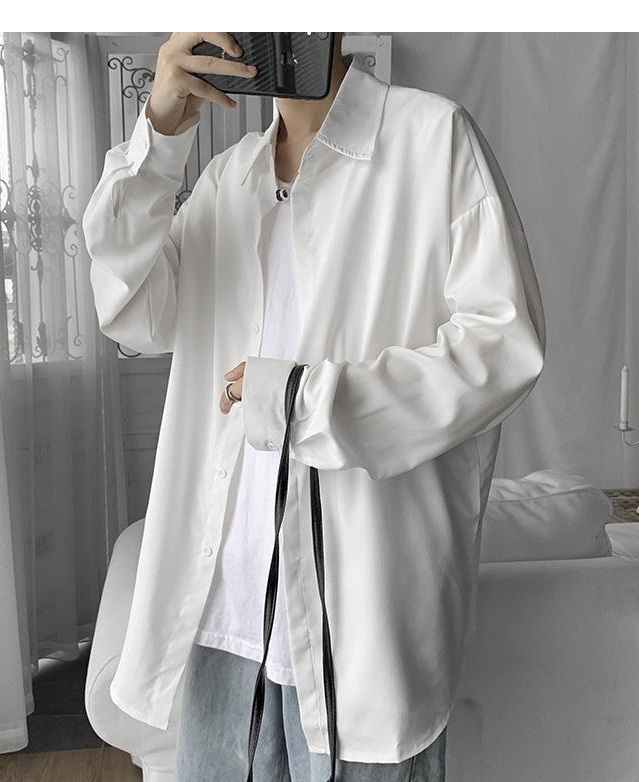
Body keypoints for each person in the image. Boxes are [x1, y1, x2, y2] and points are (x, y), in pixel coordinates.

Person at [82, 31, 546, 782]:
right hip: (223, 613)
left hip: (358, 614)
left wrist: (301, 401)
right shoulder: (229, 178)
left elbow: (504, 345)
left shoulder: (432, 139)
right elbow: (133, 311)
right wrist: (159, 136)